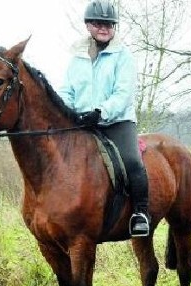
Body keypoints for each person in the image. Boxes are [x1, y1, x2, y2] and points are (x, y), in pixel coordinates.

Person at [58, 0, 150, 237]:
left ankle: (140, 213)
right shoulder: (75, 57)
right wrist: (68, 113)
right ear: (88, 25)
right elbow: (67, 91)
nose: (104, 28)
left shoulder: (123, 56)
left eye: (109, 24)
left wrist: (100, 112)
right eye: (99, 23)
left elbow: (123, 93)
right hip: (82, 124)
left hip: (116, 122)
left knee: (131, 161)